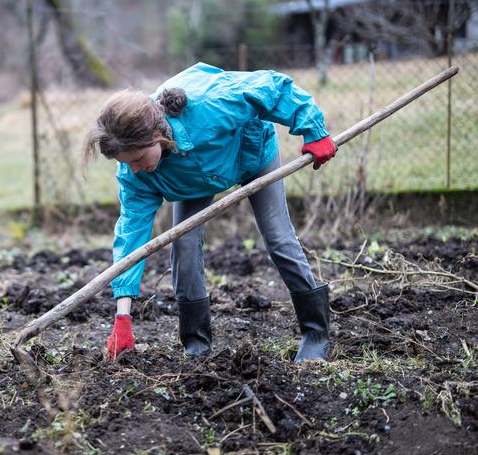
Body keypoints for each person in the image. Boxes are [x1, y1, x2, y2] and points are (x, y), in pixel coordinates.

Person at [82, 62, 337, 362]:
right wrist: (122, 317)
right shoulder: (135, 173)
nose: (135, 168)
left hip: (251, 154)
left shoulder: (209, 105)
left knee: (278, 237)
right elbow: (131, 238)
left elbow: (274, 87)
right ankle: (196, 344)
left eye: (138, 158)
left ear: (156, 135)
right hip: (191, 182)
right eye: (127, 163)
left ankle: (316, 333)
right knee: (184, 247)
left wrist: (313, 130)